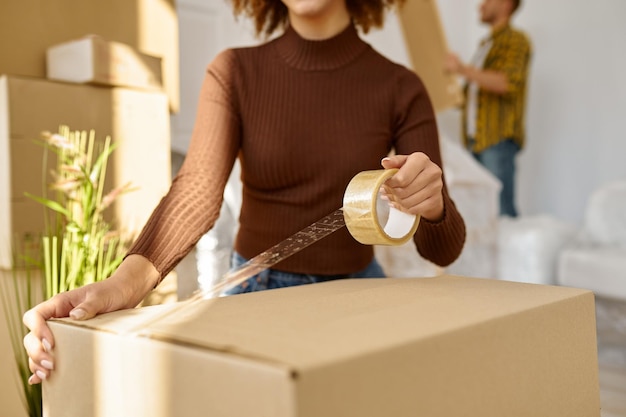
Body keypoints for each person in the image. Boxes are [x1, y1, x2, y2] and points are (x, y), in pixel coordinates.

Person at [23, 0, 466, 385]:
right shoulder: (234, 71)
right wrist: (122, 286)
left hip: (359, 297)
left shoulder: (400, 87)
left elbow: (443, 250)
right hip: (257, 292)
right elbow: (196, 189)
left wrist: (432, 204)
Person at [445, 0, 531, 217]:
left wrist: (463, 69)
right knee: (480, 212)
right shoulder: (486, 45)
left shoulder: (516, 40)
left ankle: (510, 251)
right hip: (475, 140)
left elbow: (506, 82)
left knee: (501, 212)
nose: (480, 5)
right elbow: (477, 93)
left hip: (497, 139)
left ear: (505, 4)